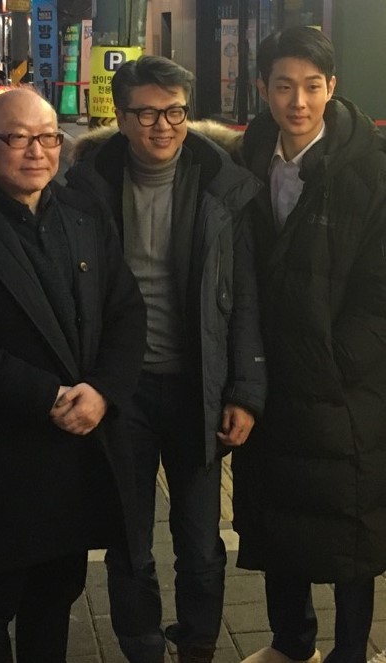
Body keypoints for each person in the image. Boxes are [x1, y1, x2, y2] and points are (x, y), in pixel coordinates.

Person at [0, 86, 147, 662]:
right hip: (1, 448)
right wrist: (49, 396)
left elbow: (126, 310)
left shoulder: (83, 211)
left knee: (58, 593)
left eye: (48, 137)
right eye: (17, 138)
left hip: (79, 446)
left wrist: (103, 392)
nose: (36, 151)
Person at [65, 55, 267, 663]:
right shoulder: (89, 185)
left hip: (197, 386)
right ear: (122, 117)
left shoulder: (220, 184)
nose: (163, 126)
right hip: (121, 388)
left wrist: (244, 391)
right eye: (148, 114)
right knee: (129, 538)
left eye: (175, 112)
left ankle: (199, 642)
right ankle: (142, 644)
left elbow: (245, 296)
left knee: (201, 539)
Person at [231, 25, 386, 663]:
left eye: (312, 86)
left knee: (352, 525)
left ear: (332, 88)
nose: (298, 101)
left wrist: (337, 362)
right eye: (284, 86)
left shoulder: (370, 169)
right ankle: (290, 644)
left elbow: (380, 289)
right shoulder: (246, 159)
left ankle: (352, 651)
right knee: (277, 516)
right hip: (268, 379)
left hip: (343, 385)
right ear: (262, 87)